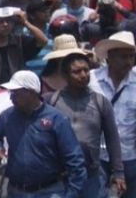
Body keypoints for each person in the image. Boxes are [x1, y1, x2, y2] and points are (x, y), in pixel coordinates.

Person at [0, 70, 87, 198]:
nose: (12, 97)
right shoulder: (7, 117)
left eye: (16, 93)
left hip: (49, 191)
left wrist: (72, 194)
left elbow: (75, 160)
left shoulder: (57, 120)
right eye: (12, 93)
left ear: (31, 92)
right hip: (16, 191)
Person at [48, 51, 124, 198]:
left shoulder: (100, 102)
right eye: (76, 71)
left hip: (92, 177)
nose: (83, 75)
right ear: (65, 75)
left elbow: (113, 139)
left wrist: (119, 173)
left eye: (86, 70)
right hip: (61, 177)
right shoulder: (52, 101)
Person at [90, 30, 136, 197]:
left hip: (130, 156)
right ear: (110, 57)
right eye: (124, 57)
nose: (129, 62)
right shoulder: (91, 80)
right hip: (98, 157)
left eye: (132, 56)